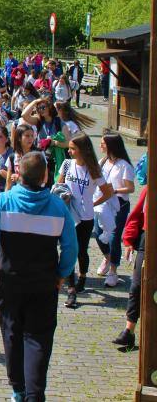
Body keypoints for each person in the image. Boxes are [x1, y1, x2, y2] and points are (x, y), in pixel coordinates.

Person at [0, 152, 78, 402]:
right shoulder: (58, 208)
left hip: (10, 281)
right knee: (38, 338)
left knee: (11, 332)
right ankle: (35, 393)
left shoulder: (4, 201)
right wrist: (62, 274)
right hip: (44, 284)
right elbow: (71, 248)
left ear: (18, 173)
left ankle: (18, 389)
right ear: (45, 176)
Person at [57, 133, 113, 308]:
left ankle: (82, 276)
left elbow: (107, 192)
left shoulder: (93, 169)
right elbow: (59, 186)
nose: (70, 151)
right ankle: (71, 289)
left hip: (86, 217)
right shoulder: (67, 165)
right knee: (68, 251)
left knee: (81, 251)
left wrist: (92, 202)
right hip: (68, 215)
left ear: (82, 149)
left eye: (73, 149)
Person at [95, 134, 135, 288]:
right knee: (98, 233)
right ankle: (107, 256)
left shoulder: (124, 165)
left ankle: (113, 270)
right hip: (102, 203)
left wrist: (115, 190)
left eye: (103, 143)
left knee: (114, 236)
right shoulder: (103, 162)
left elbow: (130, 188)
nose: (101, 146)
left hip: (119, 204)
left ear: (111, 145)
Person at [113, 186, 147, 349]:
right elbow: (137, 215)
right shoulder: (149, 188)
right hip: (147, 241)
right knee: (136, 287)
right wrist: (129, 240)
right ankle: (129, 332)